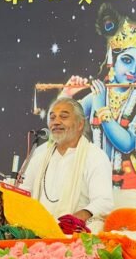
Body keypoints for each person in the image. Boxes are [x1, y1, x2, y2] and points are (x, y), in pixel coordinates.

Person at [62, 4, 136, 212]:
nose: (134, 71)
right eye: (127, 60)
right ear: (112, 59)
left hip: (130, 188)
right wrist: (66, 95)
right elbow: (63, 127)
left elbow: (127, 143)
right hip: (94, 186)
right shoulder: (100, 91)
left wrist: (101, 109)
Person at [20, 97, 113, 233]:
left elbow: (103, 202)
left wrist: (73, 220)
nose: (56, 122)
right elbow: (23, 193)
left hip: (74, 234)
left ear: (80, 124)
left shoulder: (95, 156)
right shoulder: (39, 154)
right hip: (38, 231)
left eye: (63, 117)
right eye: (52, 118)